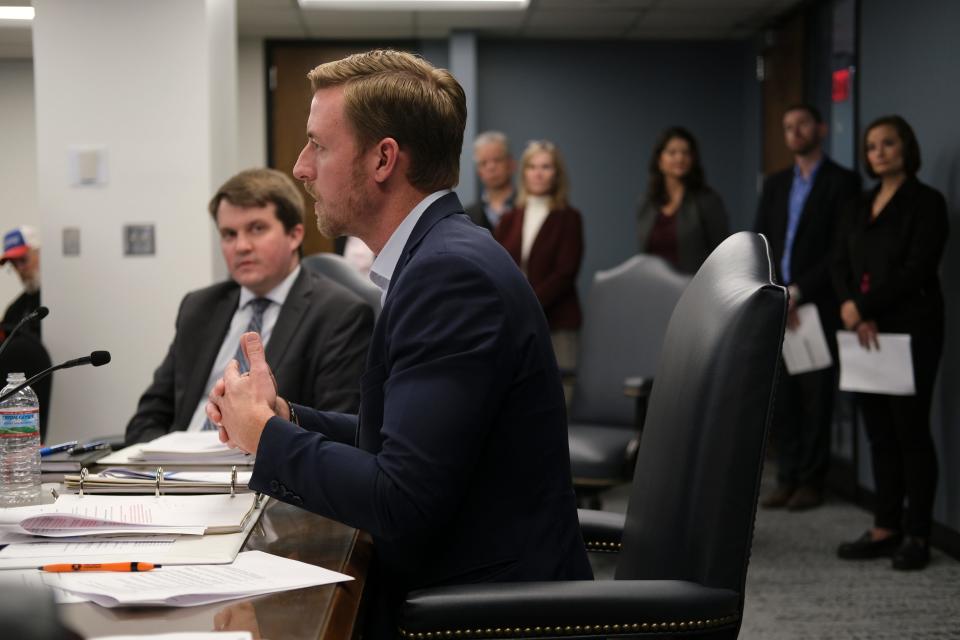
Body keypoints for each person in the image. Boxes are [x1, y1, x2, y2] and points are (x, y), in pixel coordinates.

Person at [206, 50, 591, 638]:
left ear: (384, 158)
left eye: (318, 145)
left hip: (480, 615)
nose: (301, 167)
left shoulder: (449, 277)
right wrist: (285, 418)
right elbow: (402, 445)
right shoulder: (440, 257)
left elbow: (400, 501)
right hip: (467, 586)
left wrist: (265, 440)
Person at [125, 168, 373, 445]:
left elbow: (337, 432)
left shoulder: (339, 314)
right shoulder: (199, 307)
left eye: (256, 229)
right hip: (176, 473)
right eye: (229, 234)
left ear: (295, 235)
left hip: (260, 474)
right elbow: (148, 418)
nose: (241, 246)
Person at [833, 116, 948, 571]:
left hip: (909, 328)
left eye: (888, 143)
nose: (879, 152)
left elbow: (917, 268)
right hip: (861, 331)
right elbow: (838, 260)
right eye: (872, 145)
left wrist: (864, 307)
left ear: (906, 147)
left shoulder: (927, 203)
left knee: (910, 432)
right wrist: (848, 304)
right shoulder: (858, 205)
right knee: (879, 433)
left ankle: (917, 533)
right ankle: (885, 526)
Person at [754, 103, 861, 511]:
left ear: (819, 128)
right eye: (787, 126)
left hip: (818, 305)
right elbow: (761, 238)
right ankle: (788, 476)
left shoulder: (842, 182)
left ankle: (813, 481)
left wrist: (800, 290)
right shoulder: (777, 184)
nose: (794, 131)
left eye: (801, 124)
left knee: (817, 397)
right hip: (779, 305)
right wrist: (776, 290)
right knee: (782, 398)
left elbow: (841, 247)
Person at [495, 140, 584, 373]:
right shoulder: (509, 218)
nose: (539, 173)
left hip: (557, 323)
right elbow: (496, 267)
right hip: (513, 322)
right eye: (532, 167)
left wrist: (526, 303)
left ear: (557, 174)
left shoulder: (569, 218)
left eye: (546, 167)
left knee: (561, 396)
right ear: (523, 173)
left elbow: (565, 273)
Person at [636, 126, 729, 274]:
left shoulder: (708, 200)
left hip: (693, 289)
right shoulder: (648, 202)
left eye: (686, 153)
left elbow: (723, 254)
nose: (680, 158)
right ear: (660, 160)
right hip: (652, 288)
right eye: (672, 152)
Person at [464, 130, 516, 231]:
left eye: (497, 160)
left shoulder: (527, 207)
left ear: (511, 164)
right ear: (479, 172)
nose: (491, 167)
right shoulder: (467, 216)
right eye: (483, 163)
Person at [0, 226, 42, 340]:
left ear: (40, 254)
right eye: (13, 264)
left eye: (23, 260)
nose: (19, 269)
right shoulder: (13, 311)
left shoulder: (61, 303)